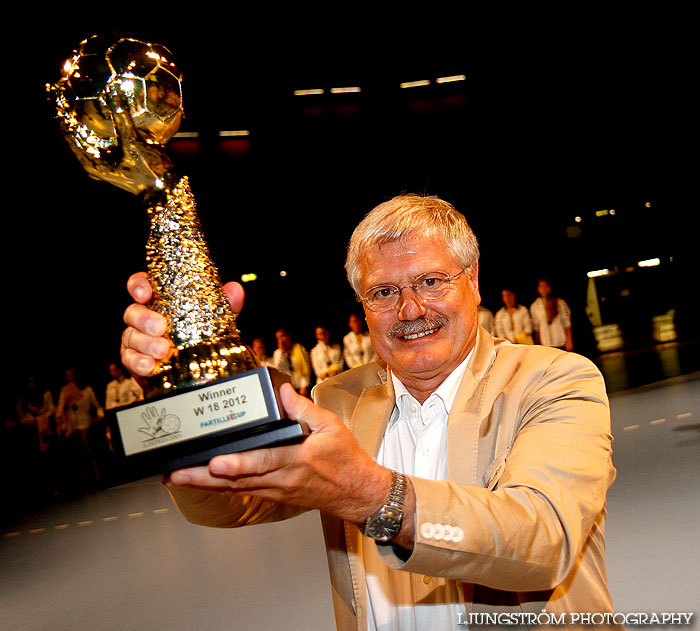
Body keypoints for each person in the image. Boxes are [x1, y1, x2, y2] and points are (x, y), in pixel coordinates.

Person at [120, 194, 620, 630]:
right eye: (384, 292)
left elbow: (543, 541)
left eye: (430, 281)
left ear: (474, 281)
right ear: (362, 305)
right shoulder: (336, 399)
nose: (410, 309)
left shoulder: (553, 379)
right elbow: (233, 503)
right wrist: (185, 405)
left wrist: (374, 496)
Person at [530, 278, 574, 351]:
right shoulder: (535, 306)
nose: (544, 289)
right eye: (541, 286)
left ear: (550, 287)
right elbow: (536, 328)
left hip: (560, 342)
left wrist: (569, 341)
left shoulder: (559, 303)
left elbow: (567, 324)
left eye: (546, 286)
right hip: (546, 344)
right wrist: (538, 345)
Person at [272, 328, 312, 397]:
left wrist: (304, 386)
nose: (281, 340)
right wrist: (282, 353)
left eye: (282, 336)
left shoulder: (299, 349)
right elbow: (277, 370)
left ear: (288, 336)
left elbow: (306, 369)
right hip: (288, 389)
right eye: (278, 338)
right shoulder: (277, 354)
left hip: (301, 388)